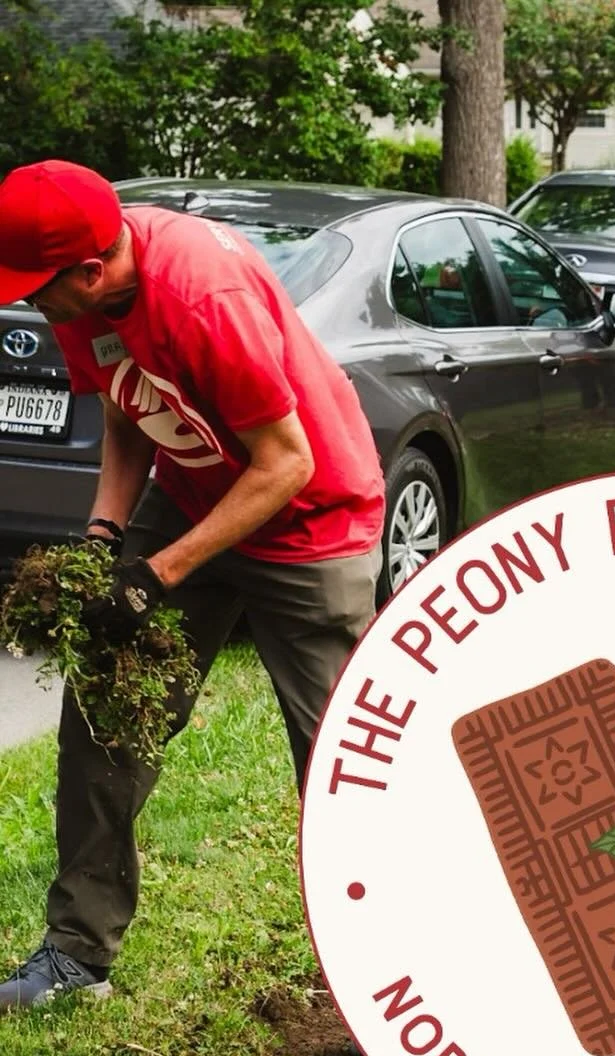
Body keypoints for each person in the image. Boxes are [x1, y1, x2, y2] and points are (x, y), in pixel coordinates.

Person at [0, 161, 385, 1012]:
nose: (28, 303)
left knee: (342, 762)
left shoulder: (203, 296)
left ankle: (392, 979)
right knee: (108, 703)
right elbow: (126, 403)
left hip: (312, 516)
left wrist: (158, 574)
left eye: (35, 289)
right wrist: (107, 534)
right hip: (196, 489)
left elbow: (287, 463)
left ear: (91, 269)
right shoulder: (88, 289)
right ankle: (76, 955)